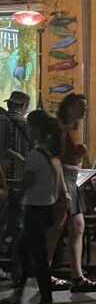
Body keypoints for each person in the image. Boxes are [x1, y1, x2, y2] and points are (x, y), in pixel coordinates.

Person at [1, 114, 67, 304]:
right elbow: (38, 172)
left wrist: (9, 186)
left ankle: (44, 300)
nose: (28, 130)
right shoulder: (49, 154)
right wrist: (19, 158)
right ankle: (20, 293)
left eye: (30, 127)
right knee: (27, 251)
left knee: (33, 256)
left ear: (37, 130)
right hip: (45, 208)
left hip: (35, 210)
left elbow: (27, 182)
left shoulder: (36, 154)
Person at [47, 93, 96, 294]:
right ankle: (44, 273)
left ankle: (77, 276)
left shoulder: (71, 128)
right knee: (55, 228)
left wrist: (79, 154)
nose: (84, 110)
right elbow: (55, 159)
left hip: (70, 179)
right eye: (81, 106)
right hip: (62, 181)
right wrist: (62, 189)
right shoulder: (59, 128)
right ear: (69, 107)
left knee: (77, 225)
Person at [0, 90, 32, 286]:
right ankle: (16, 271)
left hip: (1, 182)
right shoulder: (28, 126)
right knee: (18, 227)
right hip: (20, 182)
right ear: (24, 107)